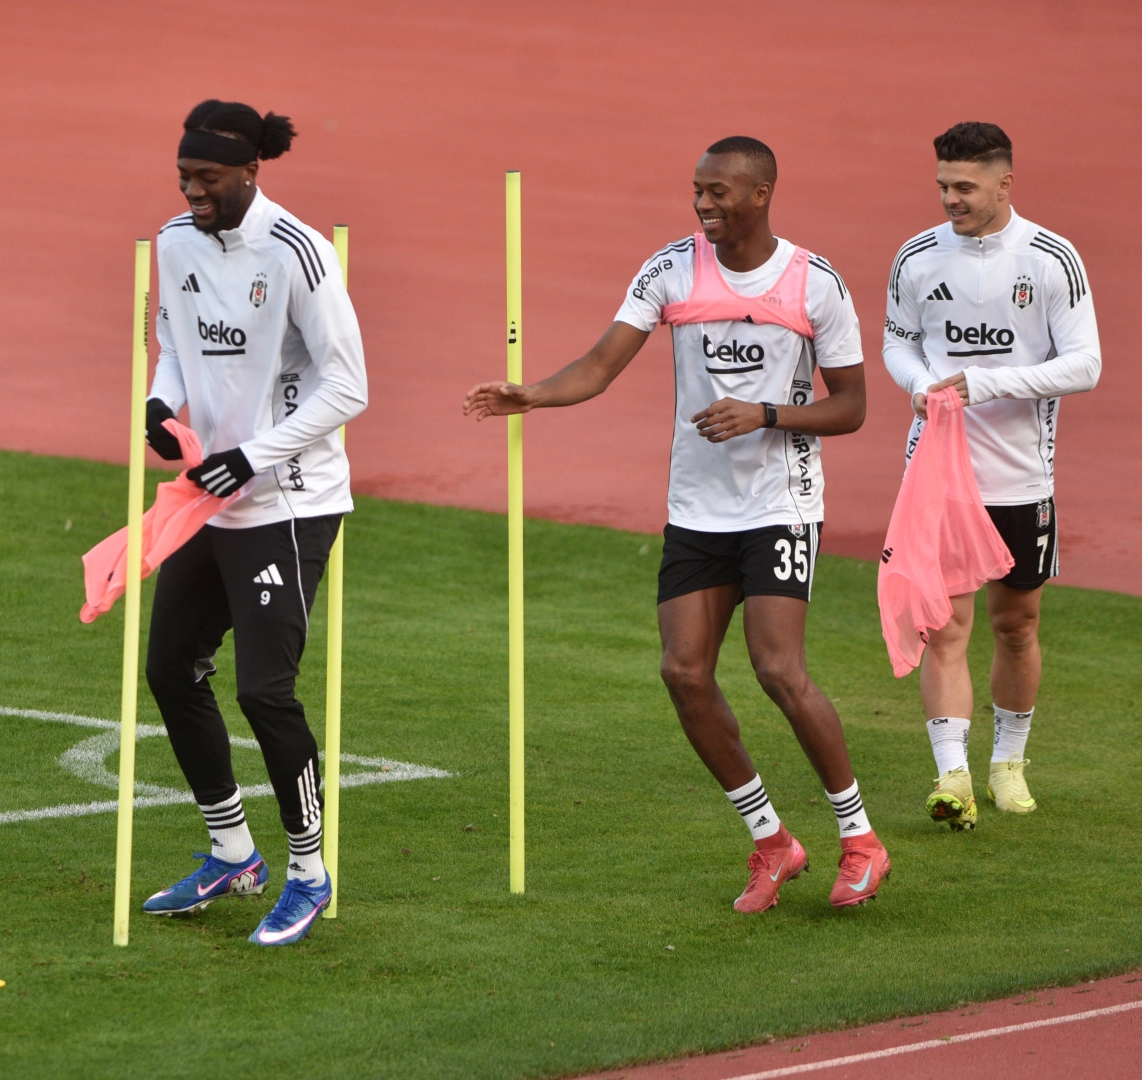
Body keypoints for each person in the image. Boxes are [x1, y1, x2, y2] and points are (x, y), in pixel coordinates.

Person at [464, 137, 889, 912]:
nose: (702, 204)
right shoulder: (670, 268)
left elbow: (852, 406)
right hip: (696, 509)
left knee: (777, 670)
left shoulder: (812, 283)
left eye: (718, 192)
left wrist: (763, 414)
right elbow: (600, 365)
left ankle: (859, 840)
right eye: (697, 190)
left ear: (759, 193)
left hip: (779, 504)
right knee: (683, 673)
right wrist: (534, 394)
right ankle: (771, 843)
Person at [137, 99, 367, 947]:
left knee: (264, 690)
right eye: (183, 177)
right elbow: (173, 345)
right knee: (170, 669)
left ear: (248, 171)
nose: (192, 191)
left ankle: (308, 871)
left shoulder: (299, 252)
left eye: (206, 177)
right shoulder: (174, 242)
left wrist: (253, 457)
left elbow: (348, 387)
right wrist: (160, 403)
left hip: (290, 501)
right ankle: (232, 852)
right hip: (211, 496)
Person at [881, 122, 1100, 829]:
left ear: (1004, 184)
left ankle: (1008, 764)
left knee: (1015, 624)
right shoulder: (917, 257)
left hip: (1020, 479)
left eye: (965, 187)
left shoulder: (1050, 259)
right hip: (939, 478)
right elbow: (896, 341)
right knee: (944, 627)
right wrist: (919, 384)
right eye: (942, 185)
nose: (950, 199)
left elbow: (1085, 365)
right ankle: (953, 775)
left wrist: (986, 382)